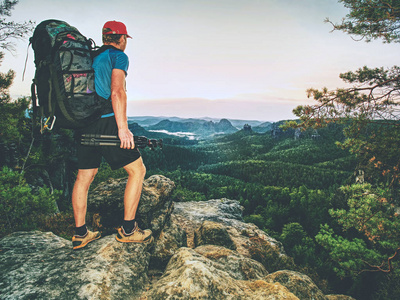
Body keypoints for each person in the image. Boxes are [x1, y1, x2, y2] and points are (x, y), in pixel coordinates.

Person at [71, 21, 152, 250]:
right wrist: (123, 128)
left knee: (84, 177)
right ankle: (128, 230)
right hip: (107, 122)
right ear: (121, 38)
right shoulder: (119, 56)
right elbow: (117, 91)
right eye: (125, 38)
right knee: (138, 170)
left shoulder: (89, 57)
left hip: (84, 122)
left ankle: (80, 234)